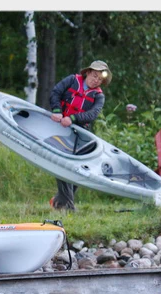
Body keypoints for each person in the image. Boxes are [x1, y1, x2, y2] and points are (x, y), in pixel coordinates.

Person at [49, 60, 112, 211]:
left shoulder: (99, 97)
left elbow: (92, 114)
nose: (96, 80)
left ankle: (59, 201)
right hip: (58, 128)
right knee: (62, 162)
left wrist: (72, 119)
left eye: (100, 79)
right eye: (94, 75)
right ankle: (68, 206)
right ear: (88, 72)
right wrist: (57, 111)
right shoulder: (72, 80)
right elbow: (56, 92)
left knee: (80, 168)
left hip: (79, 132)